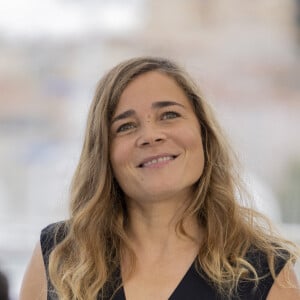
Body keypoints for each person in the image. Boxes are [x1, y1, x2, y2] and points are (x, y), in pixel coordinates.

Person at [20, 57, 300, 300]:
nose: (151, 135)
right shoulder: (58, 255)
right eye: (126, 126)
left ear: (203, 134)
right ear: (104, 153)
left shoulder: (266, 271)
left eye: (169, 115)